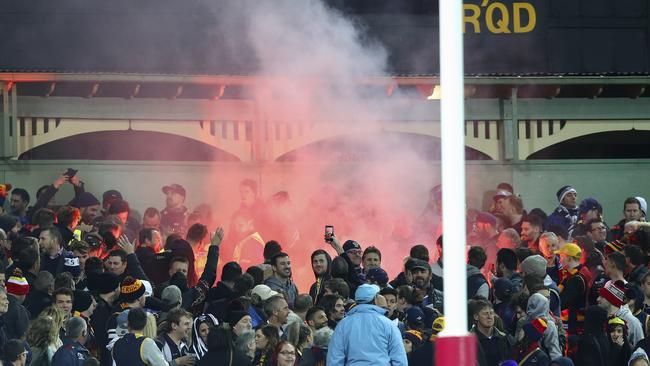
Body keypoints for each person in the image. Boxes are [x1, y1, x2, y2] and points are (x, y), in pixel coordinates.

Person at [327, 284, 407, 365]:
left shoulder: (343, 325)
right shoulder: (389, 324)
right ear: (375, 299)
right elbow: (399, 360)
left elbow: (334, 359)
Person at [597, 279, 644, 347]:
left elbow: (640, 349)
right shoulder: (599, 317)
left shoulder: (633, 322)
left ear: (611, 300)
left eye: (602, 296)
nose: (598, 299)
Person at [470, 299, 512, 366]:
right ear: (476, 317)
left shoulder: (503, 338)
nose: (489, 317)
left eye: (491, 313)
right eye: (485, 313)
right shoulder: (469, 342)